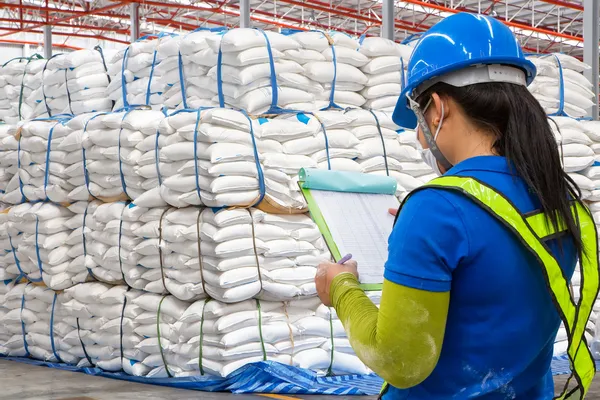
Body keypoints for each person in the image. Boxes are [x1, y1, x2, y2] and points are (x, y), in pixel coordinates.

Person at [315, 12, 599, 400]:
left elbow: (400, 361)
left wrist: (342, 289)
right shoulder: (555, 195)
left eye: (418, 120)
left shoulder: (437, 210)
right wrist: (426, 230)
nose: (419, 138)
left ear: (437, 108)